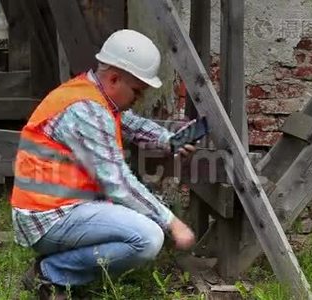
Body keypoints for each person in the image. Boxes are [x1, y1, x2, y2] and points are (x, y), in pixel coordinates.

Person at [11, 29, 196, 299]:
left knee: (146, 217)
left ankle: (61, 267)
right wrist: (172, 222)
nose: (139, 98)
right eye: (137, 90)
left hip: (58, 209)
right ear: (114, 78)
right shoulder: (87, 111)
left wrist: (170, 140)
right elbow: (118, 184)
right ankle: (51, 273)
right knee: (148, 238)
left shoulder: (93, 96)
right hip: (49, 218)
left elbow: (131, 124)